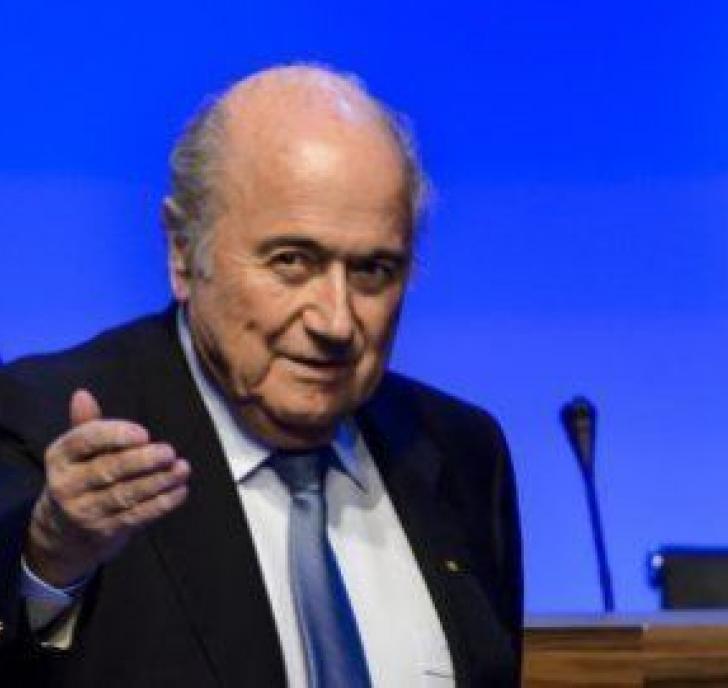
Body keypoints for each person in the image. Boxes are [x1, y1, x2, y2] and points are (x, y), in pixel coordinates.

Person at [0, 65, 523, 686]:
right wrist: (50, 560)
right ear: (182, 251)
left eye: (373, 271)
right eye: (292, 261)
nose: (336, 321)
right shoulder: (42, 429)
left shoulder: (461, 452)